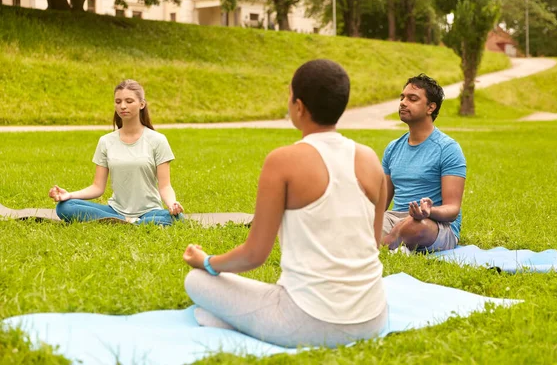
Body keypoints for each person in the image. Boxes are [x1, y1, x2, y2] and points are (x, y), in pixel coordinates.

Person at [183, 59, 388, 348]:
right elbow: (374, 242)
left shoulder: (282, 161)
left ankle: (239, 321)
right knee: (237, 300)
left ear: (299, 106)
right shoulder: (369, 158)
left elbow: (255, 255)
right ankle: (238, 319)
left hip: (308, 321)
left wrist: (206, 262)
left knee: (196, 282)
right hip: (373, 317)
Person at [48, 79, 184, 226]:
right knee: (65, 207)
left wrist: (172, 205)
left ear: (142, 104)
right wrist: (69, 195)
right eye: (118, 102)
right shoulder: (106, 141)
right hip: (115, 210)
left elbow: (165, 186)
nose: (123, 106)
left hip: (149, 211)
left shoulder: (157, 140)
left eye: (129, 101)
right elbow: (97, 187)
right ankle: (130, 222)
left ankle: (127, 222)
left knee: (178, 219)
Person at [380, 74, 466, 254]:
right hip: (397, 218)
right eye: (402, 97)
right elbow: (381, 204)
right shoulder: (392, 148)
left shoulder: (448, 148)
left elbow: (452, 209)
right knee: (358, 222)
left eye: (412, 99)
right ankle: (393, 245)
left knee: (415, 226)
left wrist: (428, 211)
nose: (403, 102)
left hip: (435, 224)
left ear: (430, 107)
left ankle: (382, 247)